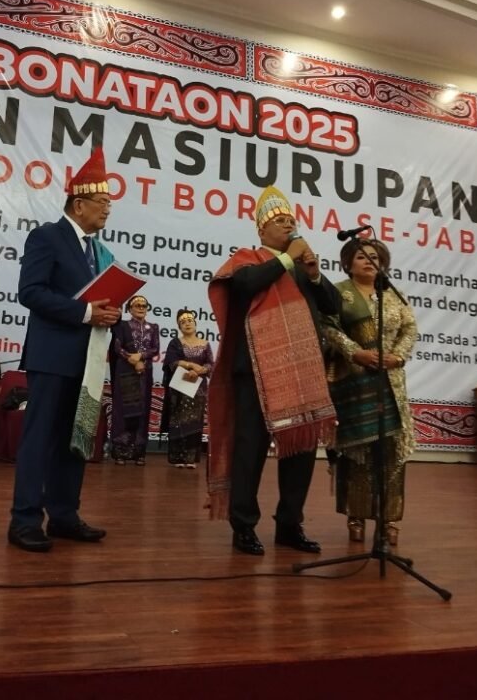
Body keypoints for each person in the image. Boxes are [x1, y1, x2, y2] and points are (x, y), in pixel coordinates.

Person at [207, 186, 339, 555]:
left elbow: (333, 306)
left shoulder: (302, 268)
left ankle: (289, 524)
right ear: (262, 229)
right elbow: (245, 285)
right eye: (280, 220)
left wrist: (314, 274)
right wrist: (286, 259)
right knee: (249, 450)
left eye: (291, 220)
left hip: (300, 373)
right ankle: (244, 526)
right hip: (255, 370)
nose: (288, 225)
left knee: (301, 450)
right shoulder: (248, 259)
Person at [8, 147, 121, 553]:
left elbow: (98, 299)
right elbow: (30, 292)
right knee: (39, 439)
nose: (108, 209)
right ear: (79, 204)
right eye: (102, 201)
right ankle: (24, 520)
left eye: (109, 203)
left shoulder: (98, 251)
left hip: (87, 360)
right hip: (52, 356)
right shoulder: (47, 236)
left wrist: (110, 312)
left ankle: (64, 515)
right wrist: (86, 312)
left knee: (76, 439)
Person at [324, 239, 417, 546]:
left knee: (391, 452)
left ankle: (390, 520)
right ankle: (356, 516)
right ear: (348, 263)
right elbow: (328, 327)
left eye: (374, 256)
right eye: (361, 256)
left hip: (390, 380)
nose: (368, 260)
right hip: (354, 378)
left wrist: (398, 357)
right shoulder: (339, 293)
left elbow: (409, 329)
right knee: (358, 452)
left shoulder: (393, 295)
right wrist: (355, 352)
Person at [109, 295, 159, 466]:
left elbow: (155, 348)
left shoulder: (153, 327)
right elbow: (117, 347)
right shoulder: (123, 326)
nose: (141, 308)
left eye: (144, 305)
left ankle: (139, 452)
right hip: (126, 371)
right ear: (129, 309)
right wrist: (132, 358)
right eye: (137, 305)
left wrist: (141, 356)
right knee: (123, 409)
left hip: (144, 372)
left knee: (142, 410)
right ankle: (121, 451)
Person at [160, 309, 213, 469]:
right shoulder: (175, 343)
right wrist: (190, 365)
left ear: (195, 323)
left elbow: (210, 364)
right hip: (180, 387)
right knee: (179, 421)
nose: (187, 324)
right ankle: (177, 457)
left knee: (194, 422)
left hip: (198, 388)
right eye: (183, 322)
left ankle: (190, 458)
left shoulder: (205, 344)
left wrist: (199, 371)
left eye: (190, 320)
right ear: (179, 327)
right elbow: (171, 362)